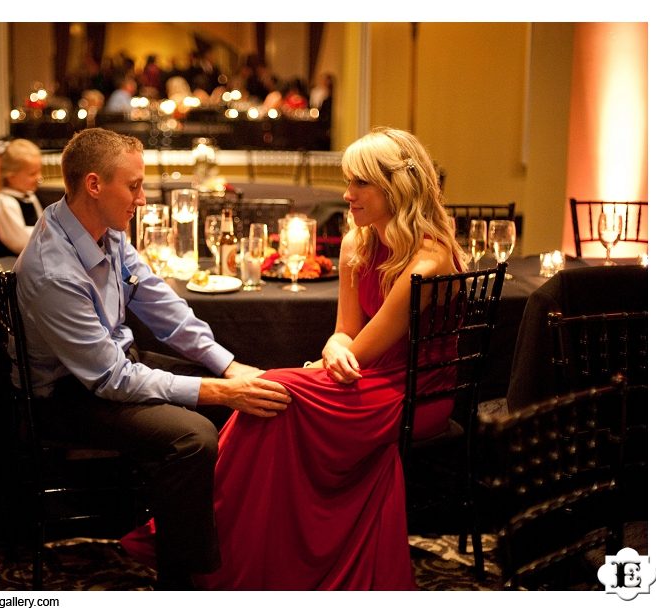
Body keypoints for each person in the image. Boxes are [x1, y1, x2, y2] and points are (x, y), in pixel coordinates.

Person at [122, 126, 466, 589]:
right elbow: (346, 334)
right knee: (269, 398)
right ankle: (230, 544)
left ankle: (205, 537)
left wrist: (333, 356)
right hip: (365, 379)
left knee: (273, 392)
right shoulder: (357, 244)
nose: (347, 195)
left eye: (359, 183)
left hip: (413, 393)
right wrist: (332, 348)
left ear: (394, 186)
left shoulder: (428, 262)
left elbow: (363, 349)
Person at [11, 127, 291, 589]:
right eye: (134, 185)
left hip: (108, 368)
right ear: (95, 185)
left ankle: (237, 543)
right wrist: (220, 391)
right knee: (194, 436)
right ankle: (183, 583)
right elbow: (110, 379)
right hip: (65, 397)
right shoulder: (53, 269)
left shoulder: (103, 229)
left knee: (241, 388)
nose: (142, 198)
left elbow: (161, 305)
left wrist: (226, 366)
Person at [0, 138, 44, 256]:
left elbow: (41, 225)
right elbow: (21, 242)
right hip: (11, 266)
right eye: (32, 174)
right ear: (11, 176)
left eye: (39, 171)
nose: (39, 177)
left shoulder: (29, 196)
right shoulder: (5, 202)